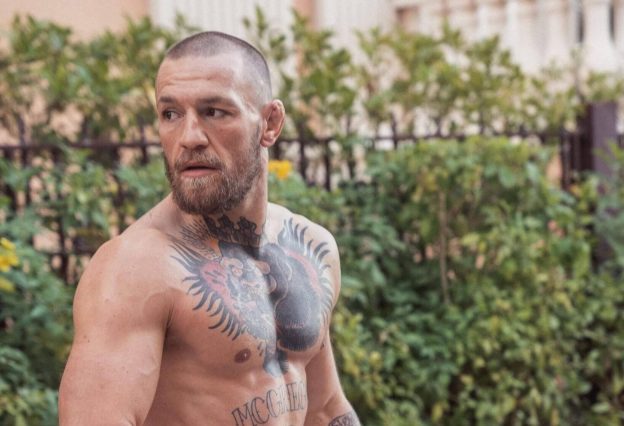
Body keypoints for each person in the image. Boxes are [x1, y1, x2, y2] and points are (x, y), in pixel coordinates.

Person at [58, 31, 361, 426]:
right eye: (170, 114)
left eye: (214, 112)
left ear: (270, 123)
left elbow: (325, 408)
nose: (189, 138)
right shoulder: (134, 268)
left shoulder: (310, 247)